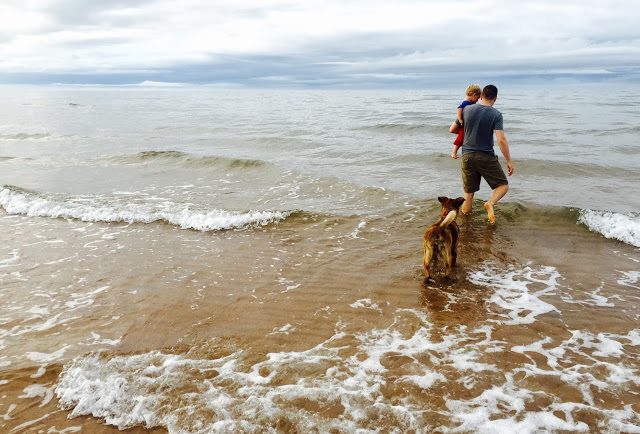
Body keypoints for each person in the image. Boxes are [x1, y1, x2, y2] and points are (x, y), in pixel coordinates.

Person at [459, 84, 514, 224]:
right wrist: (509, 161)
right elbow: (501, 140)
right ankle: (490, 203)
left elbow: (453, 129)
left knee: (468, 195)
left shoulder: (466, 109)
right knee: (503, 186)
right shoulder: (496, 114)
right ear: (495, 98)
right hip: (485, 156)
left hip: (467, 155)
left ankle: (465, 227)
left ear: (481, 96)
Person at [449, 84, 481, 159]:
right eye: (477, 98)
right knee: (460, 138)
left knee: (462, 135)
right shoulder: (466, 102)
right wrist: (460, 119)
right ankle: (454, 152)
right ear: (474, 94)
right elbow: (459, 109)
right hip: (463, 122)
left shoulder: (471, 102)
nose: (478, 100)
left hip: (466, 123)